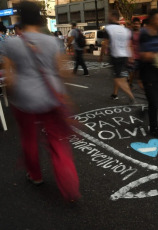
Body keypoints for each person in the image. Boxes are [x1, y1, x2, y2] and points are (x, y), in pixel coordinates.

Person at [2, 1, 80, 201]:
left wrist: (11, 95)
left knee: (29, 138)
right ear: (40, 19)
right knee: (57, 141)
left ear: (20, 19)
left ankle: (35, 176)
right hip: (51, 96)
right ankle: (69, 186)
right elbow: (64, 72)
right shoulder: (53, 42)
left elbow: (9, 77)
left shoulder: (11, 43)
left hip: (25, 98)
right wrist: (65, 95)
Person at [139, 9, 158, 139]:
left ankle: (146, 111)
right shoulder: (144, 33)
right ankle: (154, 128)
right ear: (152, 20)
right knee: (154, 101)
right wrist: (152, 55)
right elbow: (141, 55)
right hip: (148, 72)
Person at [101, 10, 136, 103]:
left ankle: (131, 97)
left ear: (113, 17)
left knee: (118, 79)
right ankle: (115, 94)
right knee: (121, 77)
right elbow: (129, 44)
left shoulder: (108, 29)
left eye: (109, 16)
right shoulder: (125, 30)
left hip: (115, 56)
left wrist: (101, 56)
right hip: (124, 56)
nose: (107, 18)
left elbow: (105, 44)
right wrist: (131, 56)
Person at [128, 17, 143, 89]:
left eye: (138, 24)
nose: (136, 25)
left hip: (141, 55)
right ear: (132, 24)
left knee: (139, 71)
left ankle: (139, 83)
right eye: (135, 24)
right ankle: (130, 84)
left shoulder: (142, 33)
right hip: (134, 55)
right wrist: (131, 56)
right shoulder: (130, 33)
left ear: (140, 24)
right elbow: (129, 44)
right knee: (132, 72)